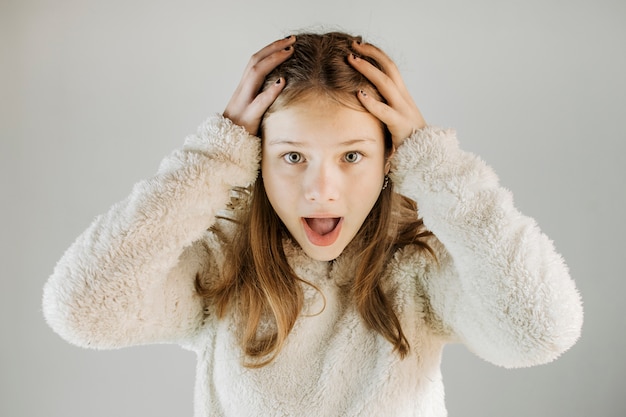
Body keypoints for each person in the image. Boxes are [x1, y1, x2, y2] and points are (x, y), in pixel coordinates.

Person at [42, 32, 583, 417]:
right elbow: (83, 308)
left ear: (392, 158)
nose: (322, 190)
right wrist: (210, 155)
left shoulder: (416, 267)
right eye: (293, 157)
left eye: (352, 156)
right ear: (254, 158)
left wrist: (438, 164)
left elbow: (540, 331)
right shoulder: (225, 263)